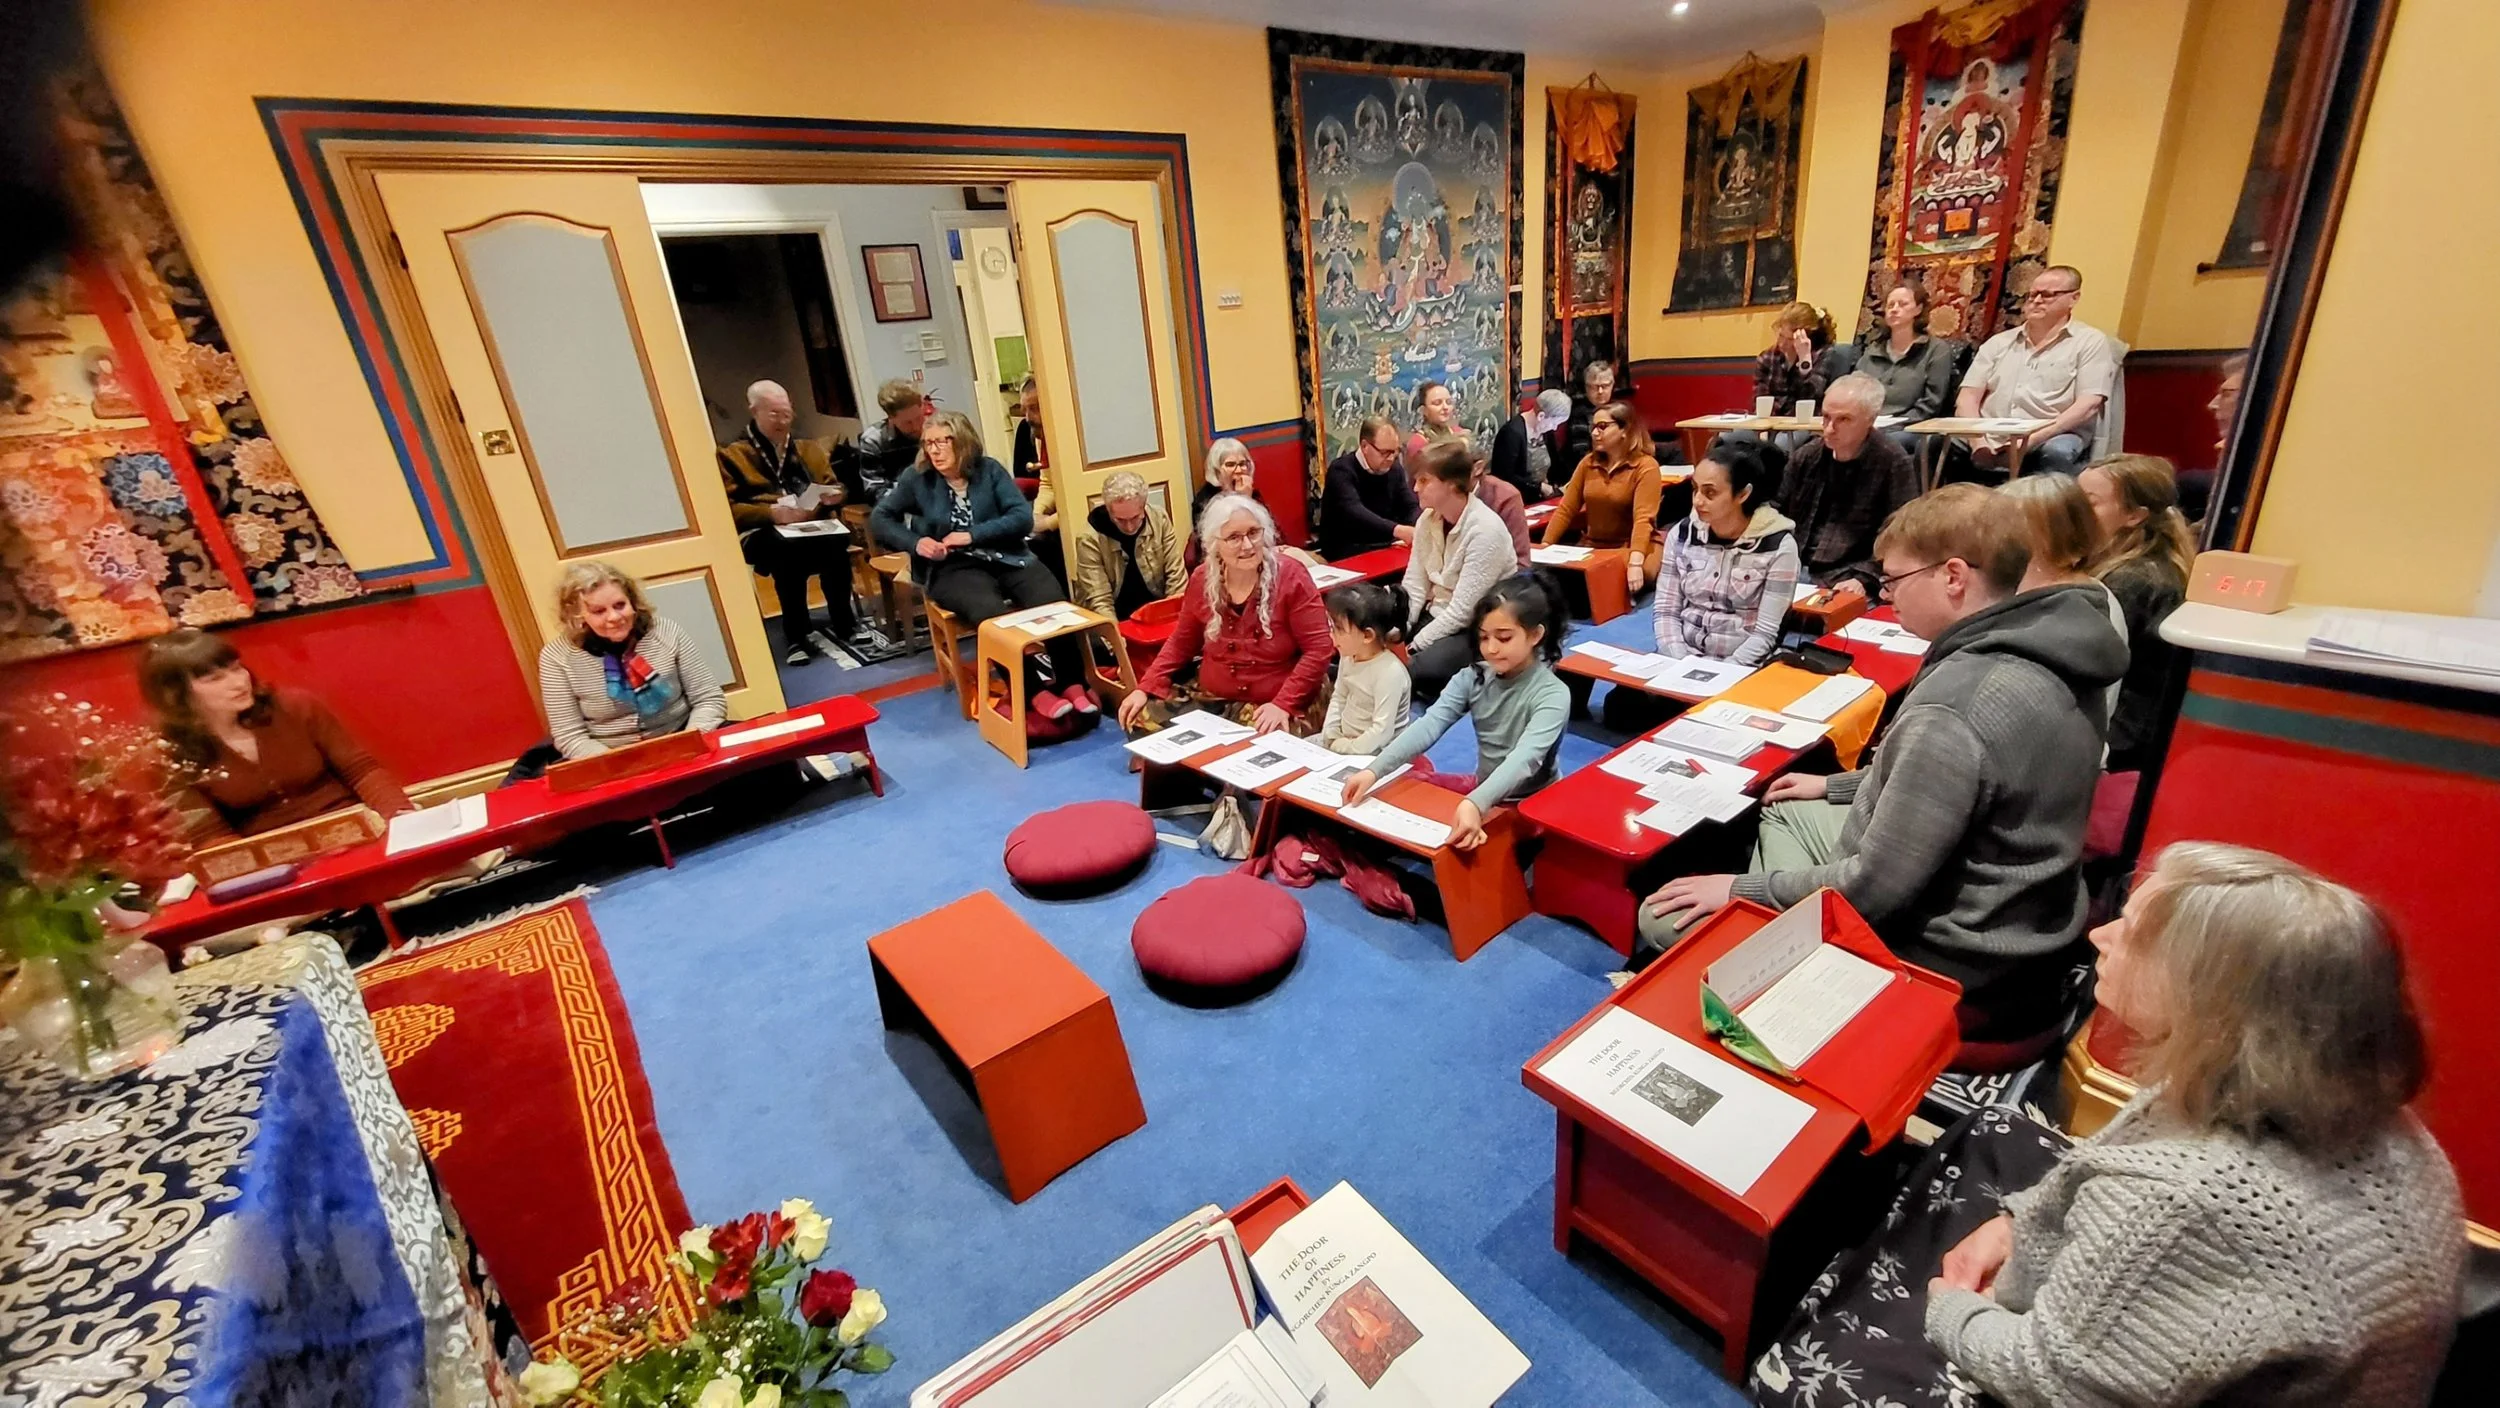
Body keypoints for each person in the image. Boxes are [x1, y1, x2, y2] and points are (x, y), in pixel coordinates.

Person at [1753, 842, 2464, 1408]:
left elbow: (2054, 1385)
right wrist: (2017, 1226)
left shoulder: (2179, 1203)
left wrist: (1947, 1311)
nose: (2100, 934)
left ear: (2212, 999)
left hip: (2080, 1367)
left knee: (1810, 1370)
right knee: (1996, 1131)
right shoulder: (2369, 1115)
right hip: (2185, 1315)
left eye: (2136, 935)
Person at [1640, 485, 2127, 1044]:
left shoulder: (1958, 702)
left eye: (1894, 580)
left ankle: (1802, 977)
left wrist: (1738, 889)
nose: (1886, 594)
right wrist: (1837, 786)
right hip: (2022, 917)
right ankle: (1796, 937)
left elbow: (1871, 890)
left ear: (1953, 577)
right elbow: (1969, 782)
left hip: (1954, 952)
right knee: (1790, 807)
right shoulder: (2062, 638)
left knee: (1663, 917)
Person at [871, 410, 1094, 716]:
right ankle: (1031, 691)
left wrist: (971, 535)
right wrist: (916, 543)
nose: (933, 450)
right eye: (928, 443)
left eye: (941, 442)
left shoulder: (989, 470)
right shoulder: (917, 478)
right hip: (952, 567)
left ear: (962, 441)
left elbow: (1020, 517)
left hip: (1006, 555)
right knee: (991, 615)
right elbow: (880, 519)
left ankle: (1071, 681)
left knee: (1051, 601)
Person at [1340, 574, 1571, 852]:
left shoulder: (1553, 694)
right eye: (1484, 638)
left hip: (1530, 805)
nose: (1491, 648)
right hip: (1484, 790)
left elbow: (1525, 759)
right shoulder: (1473, 677)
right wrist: (1374, 771)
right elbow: (1430, 724)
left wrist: (1476, 802)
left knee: (1460, 851)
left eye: (1504, 637)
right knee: (1396, 793)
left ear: (1535, 635)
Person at [140, 628, 412, 841]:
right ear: (175, 695)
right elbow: (207, 836)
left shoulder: (295, 706)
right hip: (272, 860)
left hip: (356, 826)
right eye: (214, 679)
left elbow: (361, 770)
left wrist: (401, 819)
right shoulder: (168, 754)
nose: (238, 682)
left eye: (236, 668)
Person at [1118, 493, 1334, 737]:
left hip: (1278, 699)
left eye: (1254, 533)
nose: (1247, 545)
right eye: (1233, 537)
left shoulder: (1291, 576)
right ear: (1214, 544)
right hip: (1214, 698)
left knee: (1262, 741)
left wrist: (1283, 704)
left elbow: (1319, 649)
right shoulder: (1202, 579)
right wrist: (1145, 687)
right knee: (1139, 716)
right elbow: (1181, 642)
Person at [716, 379, 863, 665]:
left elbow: (834, 486)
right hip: (764, 530)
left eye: (786, 413)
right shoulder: (733, 455)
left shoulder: (808, 449)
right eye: (774, 414)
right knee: (787, 553)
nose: (783, 421)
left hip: (811, 525)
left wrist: (835, 496)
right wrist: (771, 513)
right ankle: (796, 635)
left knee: (837, 542)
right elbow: (727, 509)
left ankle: (845, 623)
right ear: (754, 411)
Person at [536, 561, 728, 761]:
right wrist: (620, 765)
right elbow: (570, 736)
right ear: (577, 617)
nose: (614, 617)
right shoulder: (556, 658)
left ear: (633, 603)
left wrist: (690, 745)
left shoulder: (667, 632)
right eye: (599, 611)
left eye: (620, 605)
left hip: (684, 738)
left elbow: (709, 700)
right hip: (607, 759)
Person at [2081, 455, 2196, 771]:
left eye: (2087, 502)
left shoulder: (2134, 581)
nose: (2072, 511)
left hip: (2117, 741)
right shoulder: (2114, 565)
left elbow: (2077, 661)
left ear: (2134, 515)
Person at [1953, 264, 2117, 477]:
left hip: (2051, 435)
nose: (2037, 301)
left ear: (2073, 299)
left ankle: (2052, 510)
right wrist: (1978, 441)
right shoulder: (1998, 343)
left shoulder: (2090, 342)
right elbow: (1967, 398)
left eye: (2048, 295)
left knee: (2056, 452)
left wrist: (2030, 440)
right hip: (1989, 433)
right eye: (2032, 295)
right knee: (1932, 445)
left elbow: (2089, 405)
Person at [1775, 372, 1922, 602]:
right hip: (1793, 566)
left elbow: (1901, 535)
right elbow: (1777, 510)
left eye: (1844, 419)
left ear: (1870, 420)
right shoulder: (1807, 456)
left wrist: (1864, 578)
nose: (1830, 428)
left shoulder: (1892, 462)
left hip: (1850, 576)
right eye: (1825, 417)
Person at [1653, 440, 1799, 666]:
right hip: (1682, 658)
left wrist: (1722, 674)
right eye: (1695, 489)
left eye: (1710, 493)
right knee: (1623, 700)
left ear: (1743, 494)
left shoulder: (1779, 546)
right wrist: (1680, 661)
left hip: (1740, 664)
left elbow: (1765, 635)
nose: (1697, 501)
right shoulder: (1681, 533)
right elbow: (1665, 611)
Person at [1400, 441, 1518, 702]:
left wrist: (1413, 645)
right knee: (1373, 636)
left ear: (1451, 484)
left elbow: (1463, 612)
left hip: (1476, 626)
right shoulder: (1426, 520)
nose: (1415, 487)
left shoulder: (1486, 530)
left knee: (1425, 667)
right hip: (1436, 613)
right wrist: (1400, 627)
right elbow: (1414, 585)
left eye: (1424, 480)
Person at [1543, 400, 1665, 593]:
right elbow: (1566, 509)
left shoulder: (1646, 467)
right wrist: (1545, 547)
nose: (1594, 433)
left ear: (1625, 430)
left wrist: (1634, 562)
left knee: (1606, 583)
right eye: (1593, 427)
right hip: (1593, 545)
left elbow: (1643, 520)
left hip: (1633, 547)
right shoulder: (1587, 463)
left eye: (1602, 427)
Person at [1070, 470, 1186, 622]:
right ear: (1108, 510)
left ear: (1144, 507)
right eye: (1120, 520)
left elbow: (1176, 580)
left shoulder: (1159, 519)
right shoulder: (1089, 539)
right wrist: (1116, 642)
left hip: (1155, 612)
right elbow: (1100, 601)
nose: (1130, 527)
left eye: (1135, 518)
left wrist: (1174, 625)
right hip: (1114, 617)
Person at [1856, 281, 1959, 442]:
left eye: (1902, 304)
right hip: (1869, 424)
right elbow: (1854, 390)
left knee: (1880, 444)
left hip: (1911, 427)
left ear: (1918, 309)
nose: (1894, 309)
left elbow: (1931, 404)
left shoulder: (1936, 350)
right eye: (1890, 305)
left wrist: (1892, 426)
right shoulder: (1873, 349)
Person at [1316, 583, 1411, 755]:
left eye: (1339, 630)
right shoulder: (1348, 656)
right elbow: (1339, 697)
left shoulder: (1390, 673)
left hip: (1378, 752)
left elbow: (1381, 732)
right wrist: (1331, 734)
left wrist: (1345, 747)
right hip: (1345, 741)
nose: (1331, 635)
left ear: (1367, 635)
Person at [1317, 415, 1418, 560]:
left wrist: (1420, 523)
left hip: (1387, 546)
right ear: (1365, 446)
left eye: (1395, 451)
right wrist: (1397, 530)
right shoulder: (1341, 471)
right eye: (1384, 453)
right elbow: (1355, 512)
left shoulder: (1394, 469)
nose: (1391, 458)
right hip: (1348, 551)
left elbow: (1409, 504)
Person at [833, 378, 929, 506]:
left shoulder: (935, 430)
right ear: (891, 418)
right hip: (898, 504)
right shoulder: (873, 439)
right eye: (907, 423)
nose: (917, 427)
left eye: (918, 418)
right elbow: (873, 490)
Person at [1186, 438, 1262, 571]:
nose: (1239, 470)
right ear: (1216, 470)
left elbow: (1271, 532)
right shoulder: (1205, 500)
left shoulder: (1252, 493)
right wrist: (1244, 500)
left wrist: (1248, 498)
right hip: (1223, 562)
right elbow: (1217, 545)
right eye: (1231, 465)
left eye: (1243, 464)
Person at [1488, 388, 1572, 503]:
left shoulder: (1546, 431)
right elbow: (1504, 476)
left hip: (1541, 497)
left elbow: (1556, 463)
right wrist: (1539, 487)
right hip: (1517, 500)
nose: (1555, 428)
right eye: (1554, 423)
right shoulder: (1512, 433)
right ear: (1541, 416)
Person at [1754, 301, 1834, 415]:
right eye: (1781, 336)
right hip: (1771, 423)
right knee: (1735, 434)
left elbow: (1810, 398)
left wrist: (1804, 361)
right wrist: (1764, 429)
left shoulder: (1824, 355)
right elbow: (1759, 399)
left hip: (1803, 424)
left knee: (1788, 434)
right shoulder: (1767, 357)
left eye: (1790, 339)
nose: (1782, 343)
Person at [1563, 360, 1617, 467]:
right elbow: (1581, 453)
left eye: (1605, 386)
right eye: (1595, 387)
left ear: (1612, 386)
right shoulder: (1578, 412)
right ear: (1587, 388)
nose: (1600, 391)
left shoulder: (1618, 408)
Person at [1403, 380, 1467, 463]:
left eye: (1448, 402)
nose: (1445, 407)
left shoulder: (1459, 432)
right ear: (1424, 410)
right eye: (1437, 403)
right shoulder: (1418, 443)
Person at [1011, 376, 1045, 480]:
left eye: (1033, 408)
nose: (1028, 418)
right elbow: (1019, 475)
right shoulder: (1025, 428)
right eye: (1024, 410)